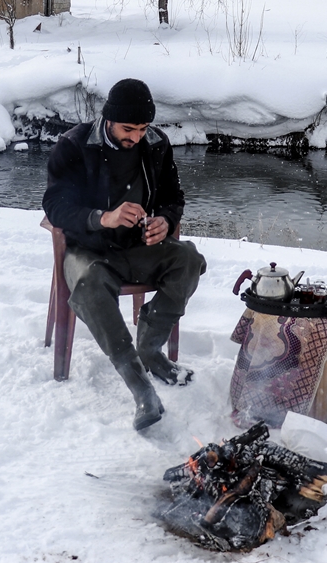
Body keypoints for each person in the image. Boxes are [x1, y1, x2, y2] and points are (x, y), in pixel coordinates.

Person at [43, 78, 207, 432]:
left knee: (188, 260)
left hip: (137, 247)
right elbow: (55, 206)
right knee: (90, 283)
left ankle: (150, 349)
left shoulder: (156, 143)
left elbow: (173, 198)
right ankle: (140, 386)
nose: (136, 136)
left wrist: (165, 221)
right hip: (87, 250)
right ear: (108, 119)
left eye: (142, 128)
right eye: (128, 129)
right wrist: (103, 218)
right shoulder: (74, 145)